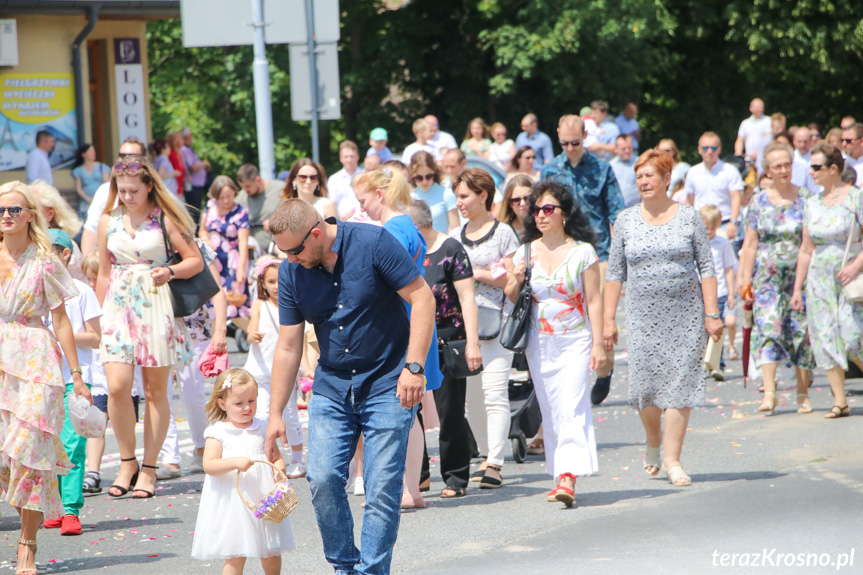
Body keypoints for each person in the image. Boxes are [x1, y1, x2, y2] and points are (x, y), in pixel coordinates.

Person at [264, 197, 435, 575]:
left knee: (381, 490)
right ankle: (345, 566)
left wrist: (415, 366)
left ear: (317, 233)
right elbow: (290, 344)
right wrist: (276, 412)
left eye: (294, 250)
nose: (289, 259)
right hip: (333, 385)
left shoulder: (373, 243)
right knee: (323, 479)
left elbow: (422, 297)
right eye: (283, 252)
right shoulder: (292, 272)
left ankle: (371, 571)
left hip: (389, 382)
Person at [604, 150, 723, 487]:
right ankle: (653, 440)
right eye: (639, 176)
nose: (643, 181)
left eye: (650, 175)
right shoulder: (626, 220)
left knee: (680, 386)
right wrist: (608, 320)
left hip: (686, 315)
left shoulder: (689, 218)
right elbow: (614, 274)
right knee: (645, 390)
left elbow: (707, 268)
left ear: (667, 178)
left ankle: (672, 460)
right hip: (642, 317)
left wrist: (712, 314)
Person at [96, 155, 202, 499]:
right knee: (117, 387)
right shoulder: (107, 220)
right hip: (117, 307)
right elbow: (103, 273)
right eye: (121, 190)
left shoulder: (164, 219)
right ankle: (128, 461)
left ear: (149, 187)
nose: (127, 196)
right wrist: (98, 320)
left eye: (133, 190)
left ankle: (150, 467)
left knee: (156, 392)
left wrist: (169, 271)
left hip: (156, 305)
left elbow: (195, 260)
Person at [0, 181, 92, 574]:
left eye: (14, 210)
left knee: (32, 455)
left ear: (31, 215)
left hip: (37, 359)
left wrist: (77, 374)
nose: (6, 216)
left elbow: (61, 320)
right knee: (8, 455)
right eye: (1, 210)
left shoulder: (45, 262)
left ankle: (27, 546)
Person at [505, 180, 604, 507]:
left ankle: (567, 477)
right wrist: (516, 280)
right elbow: (510, 295)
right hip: (539, 342)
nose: (541, 215)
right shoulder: (525, 251)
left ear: (564, 214)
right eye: (536, 210)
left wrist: (599, 344)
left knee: (571, 406)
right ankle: (562, 471)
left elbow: (594, 299)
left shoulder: (582, 252)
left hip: (575, 339)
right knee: (550, 407)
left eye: (549, 209)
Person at [354, 168, 443, 508]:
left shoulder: (393, 228)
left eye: (363, 200)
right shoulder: (407, 224)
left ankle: (405, 490)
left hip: (404, 327)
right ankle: (412, 490)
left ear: (379, 194)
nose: (361, 208)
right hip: (414, 323)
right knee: (411, 411)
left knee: (399, 412)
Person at [540, 114, 625, 405]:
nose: (570, 147)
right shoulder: (550, 169)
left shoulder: (602, 169)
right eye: (564, 143)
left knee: (597, 314)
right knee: (563, 314)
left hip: (597, 251)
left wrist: (622, 255)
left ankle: (604, 369)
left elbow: (617, 213)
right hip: (560, 250)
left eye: (575, 142)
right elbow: (541, 211)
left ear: (585, 135)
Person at [450, 168, 520, 488]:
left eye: (464, 196)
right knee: (472, 401)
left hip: (498, 324)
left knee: (494, 395)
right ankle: (483, 455)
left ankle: (496, 463)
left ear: (483, 195)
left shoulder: (504, 233)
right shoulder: (453, 238)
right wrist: (487, 273)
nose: (459, 202)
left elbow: (513, 283)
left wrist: (476, 272)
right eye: (457, 196)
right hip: (464, 328)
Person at [407, 200, 481, 498]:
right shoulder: (407, 253)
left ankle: (455, 477)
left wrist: (472, 342)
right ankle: (420, 474)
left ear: (416, 227)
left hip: (447, 341)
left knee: (450, 410)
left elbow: (467, 298)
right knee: (412, 410)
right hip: (414, 341)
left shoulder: (450, 249)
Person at [191, 368, 295, 573]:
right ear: (223, 404)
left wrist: (278, 473)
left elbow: (277, 459)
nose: (247, 408)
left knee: (271, 551)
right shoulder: (218, 432)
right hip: (234, 503)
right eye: (239, 403)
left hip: (263, 498)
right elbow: (209, 465)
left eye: (252, 401)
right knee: (235, 553)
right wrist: (234, 462)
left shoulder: (263, 428)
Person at [738, 142, 814, 414]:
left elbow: (810, 242)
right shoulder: (758, 201)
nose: (784, 170)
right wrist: (743, 279)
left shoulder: (805, 198)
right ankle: (769, 393)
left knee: (800, 333)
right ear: (767, 170)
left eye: (787, 164)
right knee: (768, 330)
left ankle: (802, 393)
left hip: (800, 278)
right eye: (777, 166)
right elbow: (749, 244)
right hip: (766, 280)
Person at [791, 142, 863, 419]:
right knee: (825, 337)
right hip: (819, 278)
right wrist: (798, 287)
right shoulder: (812, 203)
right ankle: (840, 401)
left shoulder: (855, 198)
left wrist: (855, 266)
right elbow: (807, 248)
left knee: (852, 337)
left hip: (850, 276)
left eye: (816, 167)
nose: (810, 172)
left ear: (833, 169)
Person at [41, 229, 101, 536]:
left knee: (72, 445)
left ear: (66, 254)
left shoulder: (81, 291)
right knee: (49, 445)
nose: (46, 257)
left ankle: (70, 509)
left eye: (52, 250)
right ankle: (53, 506)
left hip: (75, 378)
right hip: (41, 377)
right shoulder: (35, 289)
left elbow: (94, 337)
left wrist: (61, 335)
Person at [157, 238, 228, 479]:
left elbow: (218, 293)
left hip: (196, 329)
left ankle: (201, 447)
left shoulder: (198, 245)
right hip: (159, 328)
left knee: (192, 393)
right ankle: (170, 457)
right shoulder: (149, 245)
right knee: (160, 394)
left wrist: (220, 330)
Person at [244, 256, 306, 478]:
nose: (276, 286)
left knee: (288, 414)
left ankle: (297, 458)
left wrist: (306, 367)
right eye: (271, 282)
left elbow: (303, 338)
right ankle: (266, 459)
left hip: (285, 371)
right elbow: (250, 331)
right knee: (259, 414)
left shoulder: (295, 303)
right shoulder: (259, 304)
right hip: (260, 369)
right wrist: (253, 336)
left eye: (280, 280)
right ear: (262, 283)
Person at [81, 138, 148, 256]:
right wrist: (88, 265)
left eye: (134, 191)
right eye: (122, 155)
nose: (127, 197)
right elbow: (91, 229)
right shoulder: (104, 191)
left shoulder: (161, 195)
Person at [201, 175, 251, 329]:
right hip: (213, 261)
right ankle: (216, 343)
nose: (226, 200)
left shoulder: (241, 212)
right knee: (213, 306)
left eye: (229, 196)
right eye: (222, 197)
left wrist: (242, 268)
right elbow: (202, 230)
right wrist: (206, 239)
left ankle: (253, 334)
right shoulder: (210, 207)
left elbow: (243, 243)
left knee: (234, 306)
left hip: (232, 262)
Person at [699, 206, 738, 381]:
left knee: (716, 328)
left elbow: (729, 269)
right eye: (705, 228)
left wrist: (731, 293)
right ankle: (702, 365)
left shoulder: (722, 244)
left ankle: (718, 364)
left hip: (719, 292)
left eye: (712, 228)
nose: (708, 232)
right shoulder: (695, 243)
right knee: (701, 330)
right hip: (698, 292)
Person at [684, 131, 744, 239]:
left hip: (725, 224)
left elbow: (736, 198)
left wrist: (733, 223)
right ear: (699, 150)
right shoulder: (692, 172)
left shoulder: (730, 171)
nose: (710, 152)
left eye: (713, 148)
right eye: (705, 148)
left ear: (719, 149)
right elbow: (689, 201)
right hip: (700, 225)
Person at [30, 180, 85, 281]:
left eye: (34, 209)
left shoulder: (65, 246)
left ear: (50, 214)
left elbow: (76, 288)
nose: (29, 214)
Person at [235, 163, 286, 251]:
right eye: (242, 187)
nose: (245, 190)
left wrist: (275, 222)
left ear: (258, 180)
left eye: (248, 186)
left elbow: (292, 215)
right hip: (249, 249)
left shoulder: (280, 190)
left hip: (275, 247)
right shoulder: (241, 197)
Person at [409, 151, 458, 233]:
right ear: (412, 176)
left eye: (429, 176)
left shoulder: (447, 194)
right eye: (419, 177)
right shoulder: (409, 197)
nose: (424, 182)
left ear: (434, 173)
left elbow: (455, 229)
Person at [71, 143, 110, 221]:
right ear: (84, 154)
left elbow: (107, 183)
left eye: (94, 151)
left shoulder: (101, 167)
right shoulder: (78, 170)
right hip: (86, 203)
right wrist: (88, 199)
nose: (94, 153)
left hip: (102, 200)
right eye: (91, 151)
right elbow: (78, 188)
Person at [181, 127, 211, 223]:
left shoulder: (188, 149)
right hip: (192, 186)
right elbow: (192, 167)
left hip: (196, 186)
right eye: (191, 135)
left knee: (196, 212)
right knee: (194, 212)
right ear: (186, 136)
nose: (192, 137)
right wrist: (204, 163)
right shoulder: (184, 149)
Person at [327, 141, 364, 219]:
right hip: (342, 222)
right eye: (346, 157)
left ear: (357, 157)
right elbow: (332, 204)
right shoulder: (334, 179)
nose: (349, 160)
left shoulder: (366, 177)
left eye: (352, 156)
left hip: (363, 221)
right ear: (341, 159)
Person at [497, 174, 533, 240]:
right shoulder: (502, 231)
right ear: (509, 204)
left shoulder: (543, 226)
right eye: (516, 200)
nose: (522, 203)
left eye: (527, 198)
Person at [609, 135, 640, 207]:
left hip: (636, 209)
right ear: (616, 149)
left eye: (629, 148)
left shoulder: (639, 163)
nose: (627, 151)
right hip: (616, 210)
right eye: (623, 149)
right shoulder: (611, 165)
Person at [167, 131, 188, 198]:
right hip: (173, 189)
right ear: (174, 141)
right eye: (180, 138)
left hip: (180, 189)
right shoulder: (171, 154)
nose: (183, 140)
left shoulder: (179, 154)